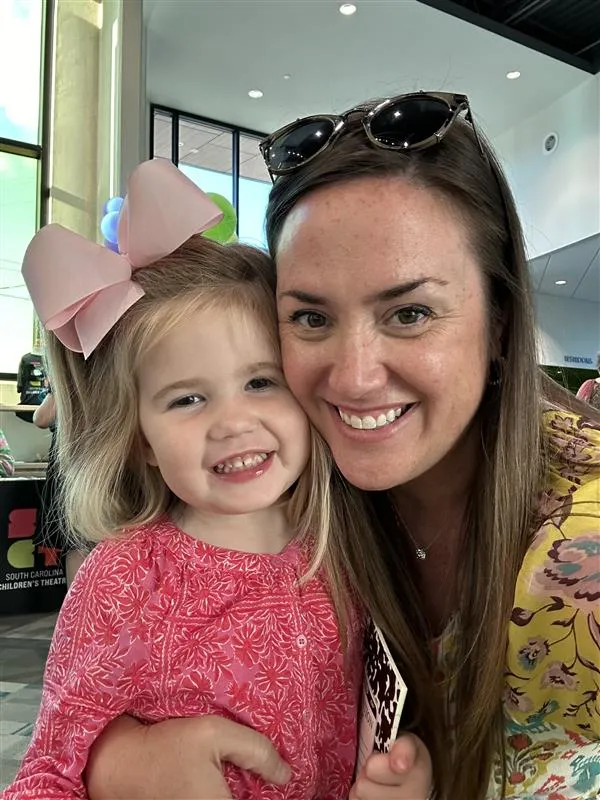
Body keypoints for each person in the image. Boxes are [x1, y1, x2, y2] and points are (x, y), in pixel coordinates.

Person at [85, 92, 600, 800]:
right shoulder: (299, 497)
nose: (354, 378)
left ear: (501, 323)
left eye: (410, 312)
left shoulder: (582, 554)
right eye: (311, 317)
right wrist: (115, 754)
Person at [2, 159, 432, 800]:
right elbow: (47, 775)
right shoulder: (124, 579)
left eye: (261, 382)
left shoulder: (346, 542)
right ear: (141, 438)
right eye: (186, 400)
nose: (233, 423)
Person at [33, 390, 87, 586]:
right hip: (105, 459)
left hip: (72, 463)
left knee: (77, 543)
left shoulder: (69, 377)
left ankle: (78, 612)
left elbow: (41, 418)